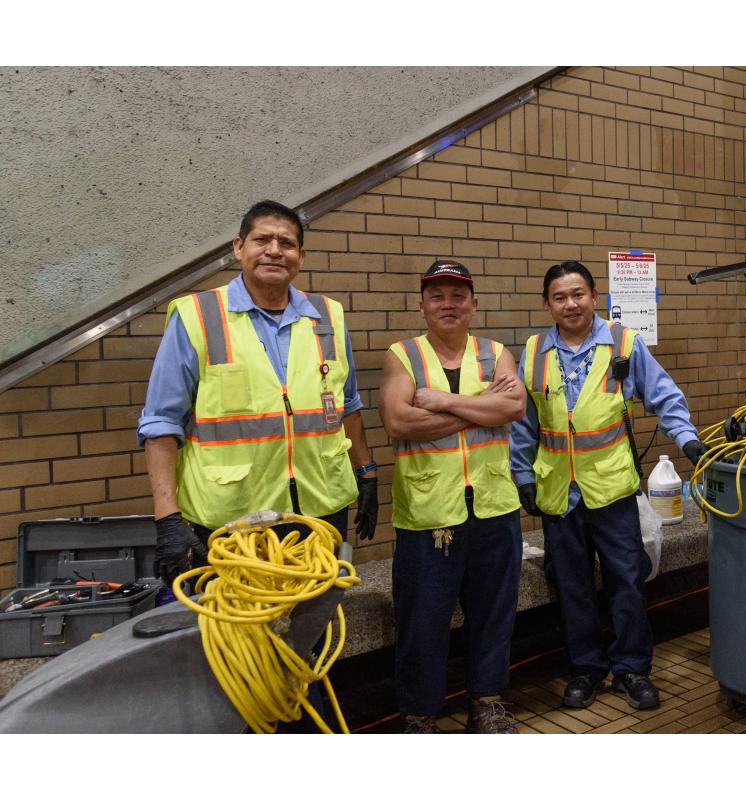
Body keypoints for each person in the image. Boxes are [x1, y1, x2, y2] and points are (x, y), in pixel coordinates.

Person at [137, 199, 379, 585]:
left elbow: (347, 404)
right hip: (231, 520)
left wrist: (366, 473)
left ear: (301, 255)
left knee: (312, 631)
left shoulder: (328, 317)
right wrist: (167, 517)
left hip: (319, 513)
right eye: (261, 239)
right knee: (236, 639)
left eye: (286, 242)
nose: (274, 250)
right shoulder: (198, 316)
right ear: (238, 247)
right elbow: (161, 423)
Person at [509, 261, 708, 712]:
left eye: (578, 294)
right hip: (559, 493)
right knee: (572, 586)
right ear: (547, 304)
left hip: (613, 492)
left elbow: (665, 395)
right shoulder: (535, 349)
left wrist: (688, 440)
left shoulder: (623, 343)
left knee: (626, 581)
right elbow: (525, 422)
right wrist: (522, 475)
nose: (570, 304)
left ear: (594, 296)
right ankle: (586, 669)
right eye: (559, 297)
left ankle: (632, 668)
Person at [378, 260, 526, 734]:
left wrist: (441, 402)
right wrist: (483, 408)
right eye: (438, 295)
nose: (448, 304)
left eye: (458, 295)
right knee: (423, 622)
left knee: (493, 613)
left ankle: (486, 702)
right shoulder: (403, 355)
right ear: (422, 305)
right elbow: (398, 422)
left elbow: (516, 406)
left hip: (493, 507)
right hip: (428, 514)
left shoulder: (496, 351)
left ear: (473, 305)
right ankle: (421, 715)